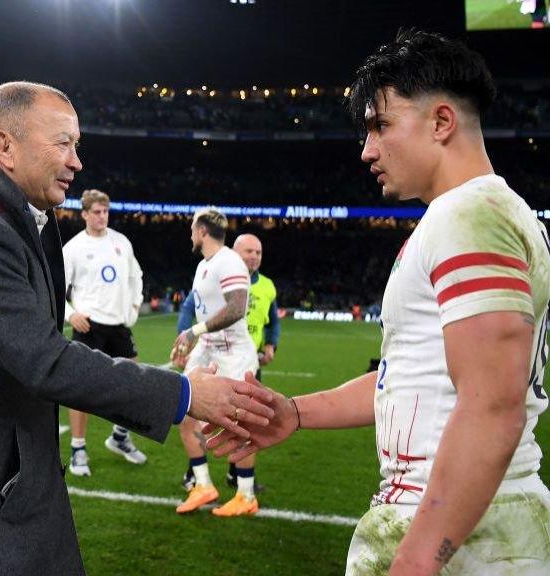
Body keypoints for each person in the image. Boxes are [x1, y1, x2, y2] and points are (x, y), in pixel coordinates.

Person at [0, 81, 274, 575]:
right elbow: (46, 359)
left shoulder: (14, 218)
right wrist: (184, 395)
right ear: (4, 146)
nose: (77, 161)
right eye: (63, 143)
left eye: (77, 145)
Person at [208, 30, 550, 574]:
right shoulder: (488, 213)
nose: (367, 149)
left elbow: (493, 405)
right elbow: (412, 377)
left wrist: (418, 557)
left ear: (441, 122)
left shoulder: (467, 216)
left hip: (462, 530)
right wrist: (296, 413)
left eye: (380, 125)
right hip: (476, 518)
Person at [170, 208, 259, 516]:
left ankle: (246, 496)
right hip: (207, 347)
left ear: (203, 231)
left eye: (193, 229)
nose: (190, 234)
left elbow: (236, 308)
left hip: (233, 351)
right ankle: (204, 485)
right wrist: (187, 339)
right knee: (184, 411)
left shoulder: (229, 261)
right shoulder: (203, 266)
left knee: (236, 423)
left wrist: (195, 331)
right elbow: (201, 312)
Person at [62, 189, 147, 476]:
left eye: (105, 212)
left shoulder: (121, 242)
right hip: (88, 326)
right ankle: (78, 450)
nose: (102, 217)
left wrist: (134, 306)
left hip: (118, 326)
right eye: (96, 212)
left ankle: (120, 437)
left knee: (134, 384)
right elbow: (55, 288)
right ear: (84, 214)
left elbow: (136, 277)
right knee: (80, 390)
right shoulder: (73, 248)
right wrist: (70, 314)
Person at [224, 233, 279, 500]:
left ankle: (239, 476)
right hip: (221, 359)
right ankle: (194, 472)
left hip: (249, 363)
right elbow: (192, 307)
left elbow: (273, 322)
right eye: (248, 252)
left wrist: (271, 345)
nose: (254, 257)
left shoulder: (267, 286)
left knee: (247, 421)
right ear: (235, 253)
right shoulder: (222, 278)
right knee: (208, 419)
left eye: (258, 252)